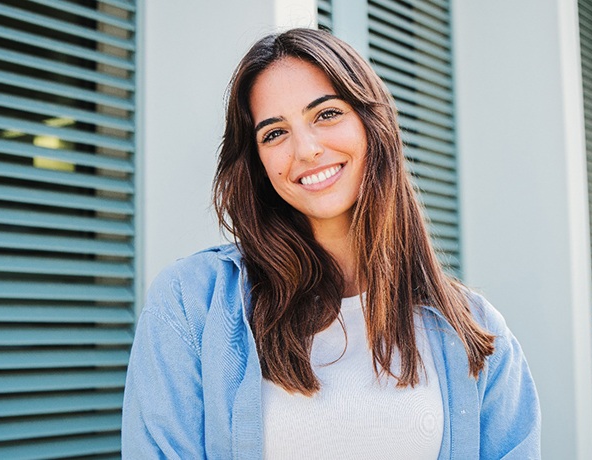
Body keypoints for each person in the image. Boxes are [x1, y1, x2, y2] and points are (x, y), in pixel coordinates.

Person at [122, 28, 540, 459]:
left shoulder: (475, 330)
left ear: (371, 124)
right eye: (274, 133)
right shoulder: (192, 303)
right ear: (258, 163)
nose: (305, 149)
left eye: (326, 114)